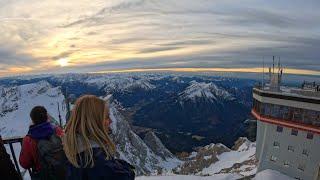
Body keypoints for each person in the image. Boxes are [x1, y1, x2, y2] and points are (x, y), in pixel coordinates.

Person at [63, 95, 135, 180]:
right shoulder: (97, 161)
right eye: (107, 117)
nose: (111, 121)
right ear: (95, 122)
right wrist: (128, 170)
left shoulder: (70, 152)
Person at [19, 106, 66, 180]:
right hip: (62, 172)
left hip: (42, 175)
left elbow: (24, 163)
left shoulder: (29, 139)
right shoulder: (58, 131)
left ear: (32, 120)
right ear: (47, 117)